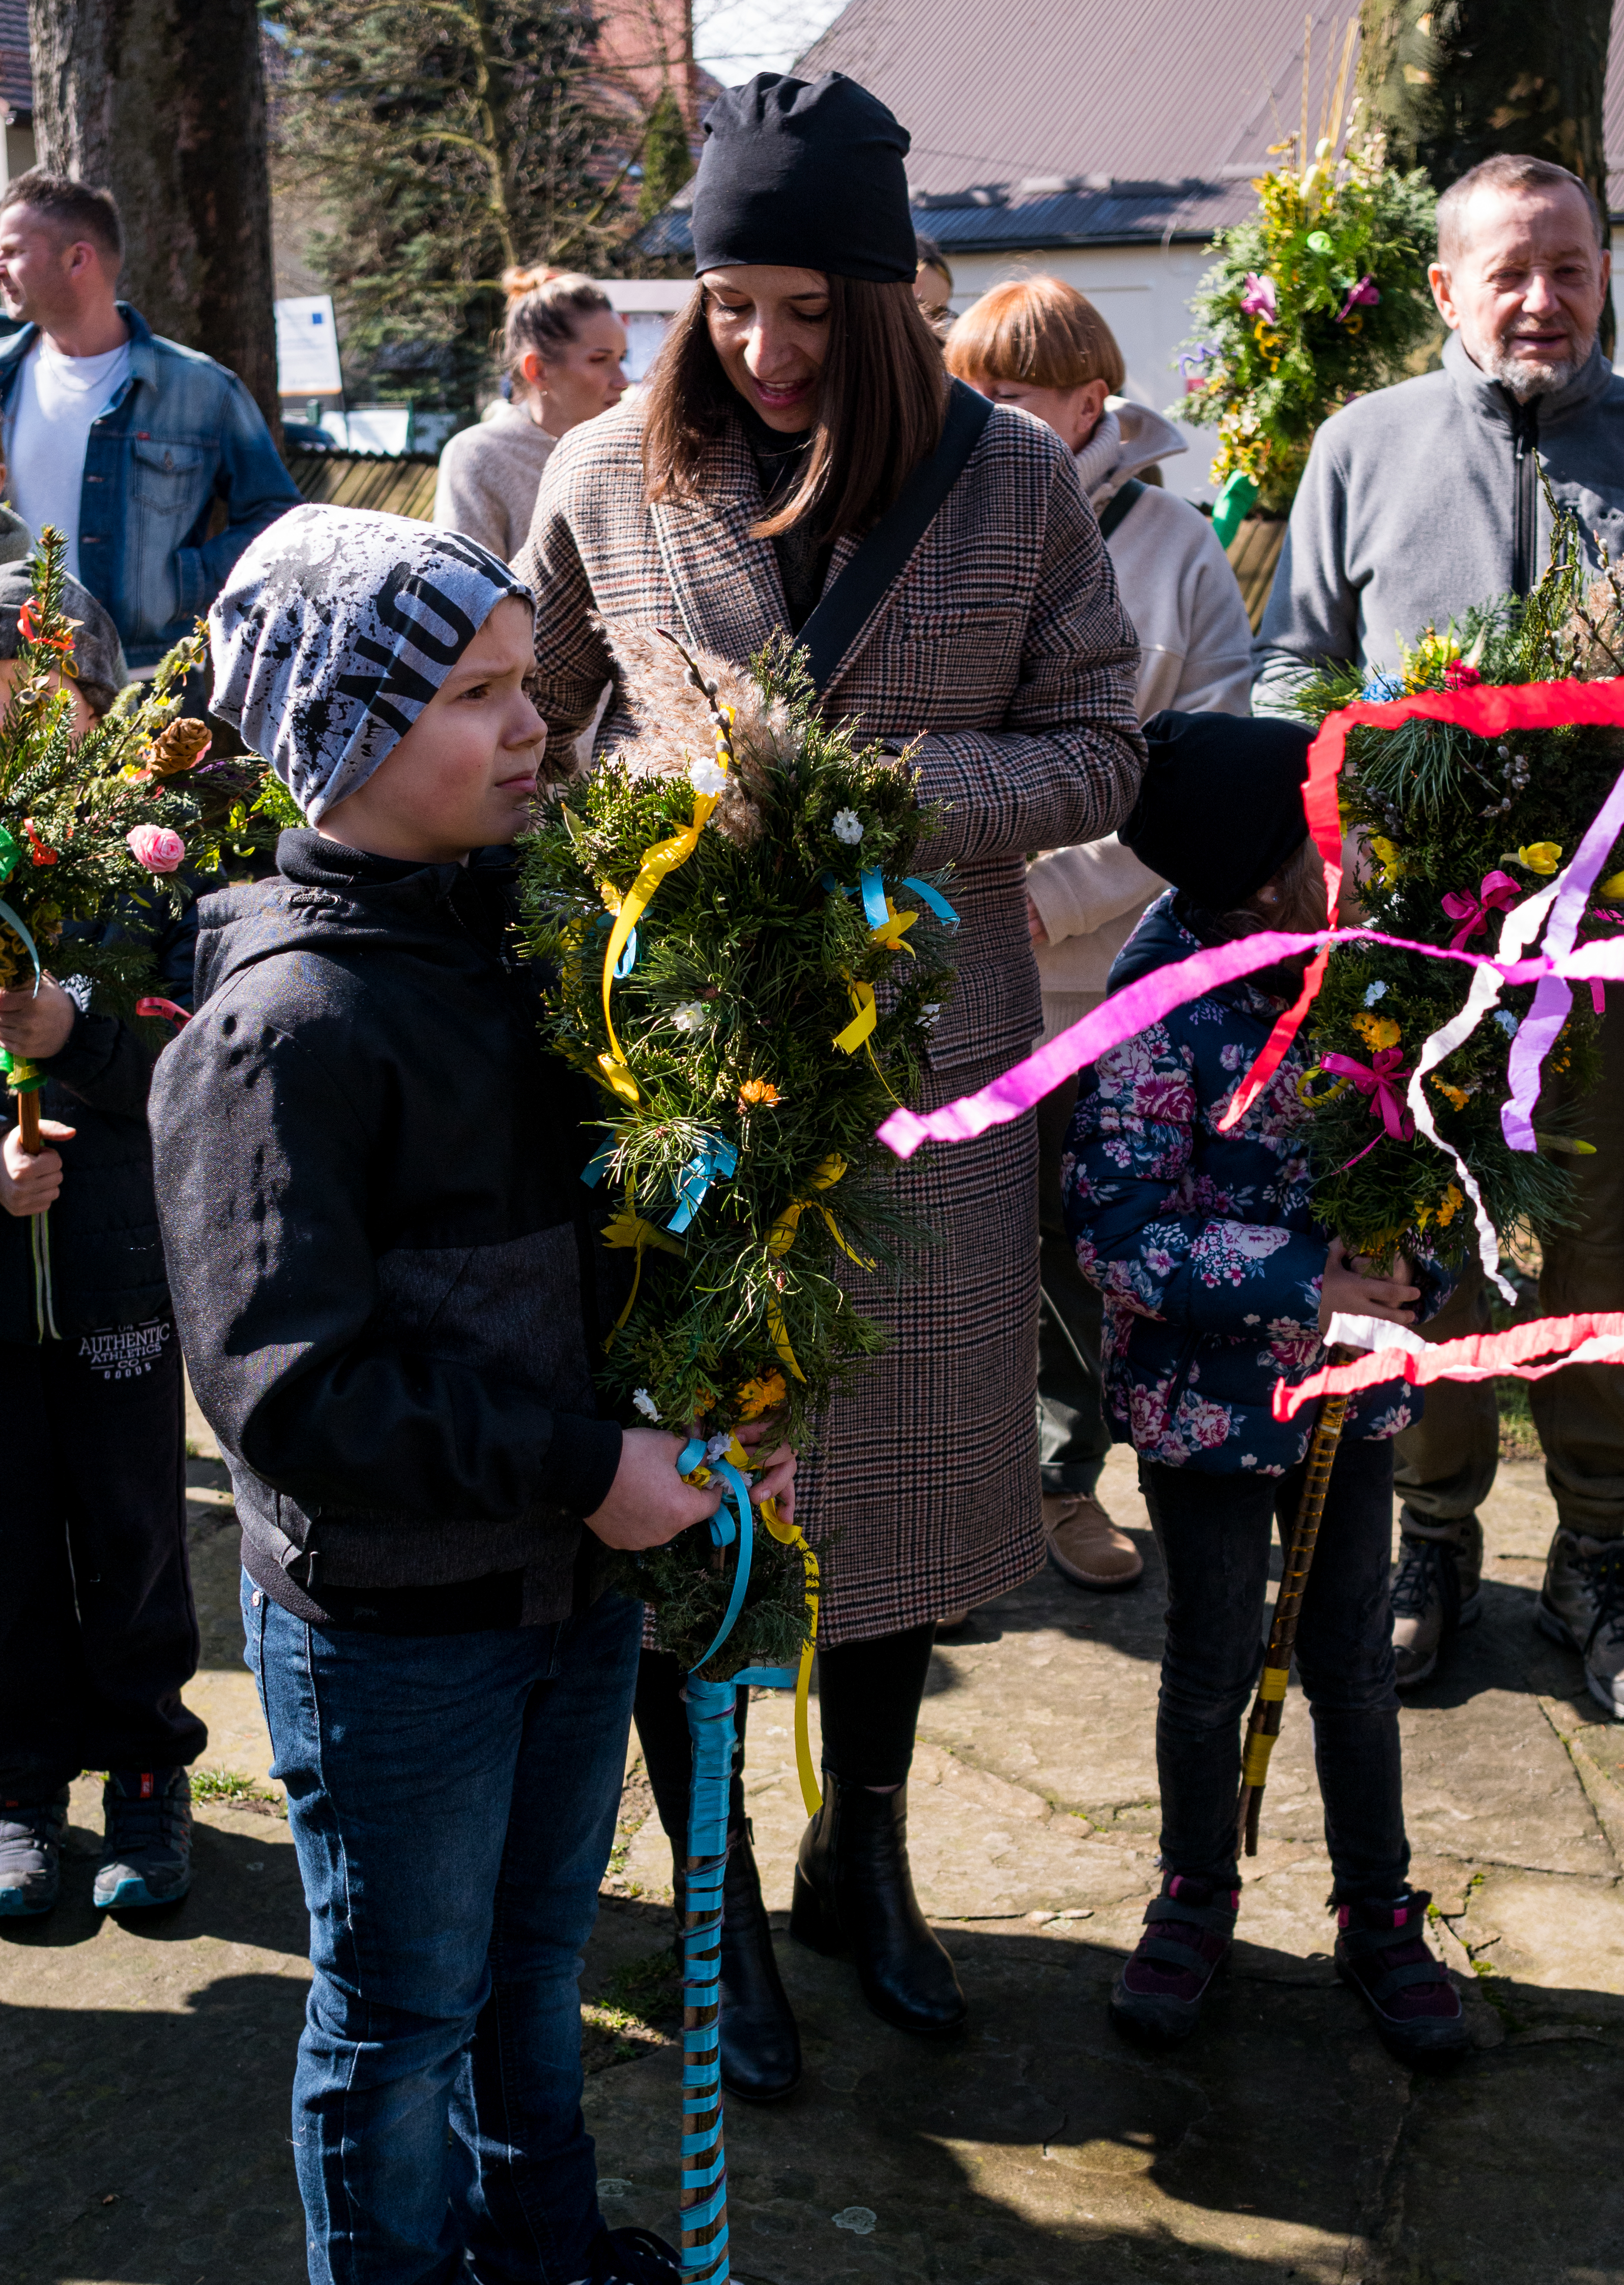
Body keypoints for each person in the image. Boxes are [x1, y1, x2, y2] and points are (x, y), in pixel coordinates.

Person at [518, 71, 1141, 2093]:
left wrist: (888, 798)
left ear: (881, 299)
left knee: (895, 1490)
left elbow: (1099, 748)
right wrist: (657, 801)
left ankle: (858, 1858)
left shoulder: (1015, 490)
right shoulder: (609, 472)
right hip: (685, 1069)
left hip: (924, 1084)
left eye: (805, 311)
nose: (763, 353)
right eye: (728, 307)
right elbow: (530, 738)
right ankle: (711, 1900)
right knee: (696, 1493)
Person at [150, 508, 787, 2285]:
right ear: (348, 738)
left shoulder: (537, 952)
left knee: (531, 1972)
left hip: (561, 1602)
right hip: (401, 1637)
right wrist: (590, 1469)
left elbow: (608, 1257)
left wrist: (713, 1398)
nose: (535, 727)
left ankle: (532, 2270)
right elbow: (292, 1391)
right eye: (481, 694)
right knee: (401, 2013)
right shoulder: (290, 1030)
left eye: (531, 686)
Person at [1253, 152, 1624, 1717]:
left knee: (1606, 1242)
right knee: (1428, 1235)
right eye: (1509, 271)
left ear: (1607, 278)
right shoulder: (1364, 446)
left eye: (1572, 267)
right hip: (1421, 960)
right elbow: (1291, 673)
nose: (1543, 299)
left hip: (1623, 951)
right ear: (1447, 286)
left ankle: (1597, 1553)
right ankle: (1434, 1540)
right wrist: (1339, 821)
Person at [1063, 709, 1467, 2067]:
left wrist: (1417, 1275)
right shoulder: (1161, 1006)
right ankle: (1196, 1889)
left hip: (1349, 1404)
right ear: (1255, 872)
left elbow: (1444, 1161)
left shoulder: (1366, 970)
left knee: (1353, 1652)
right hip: (1207, 1406)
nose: (1347, 843)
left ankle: (1378, 1906)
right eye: (1320, 826)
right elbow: (1115, 1227)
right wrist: (1306, 1276)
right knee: (1212, 1655)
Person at [945, 274, 1254, 1593]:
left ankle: (1064, 1481)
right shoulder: (935, 528)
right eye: (963, 395)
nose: (978, 421)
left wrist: (1055, 893)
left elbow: (1210, 772)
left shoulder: (1178, 553)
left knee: (1075, 1240)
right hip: (937, 966)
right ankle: (951, 1496)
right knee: (950, 1242)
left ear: (1090, 404)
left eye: (1005, 400)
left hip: (1093, 986)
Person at [0, 570, 212, 1920]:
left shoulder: (154, 863)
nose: (31, 714)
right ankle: (20, 1782)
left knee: (133, 1525)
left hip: (121, 1260)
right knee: (8, 1531)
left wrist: (74, 1041)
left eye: (53, 692)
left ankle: (146, 1764)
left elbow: (198, 1051)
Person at [0, 170, 299, 672]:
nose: (0, 267)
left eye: (11, 252)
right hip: (16, 676)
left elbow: (279, 519)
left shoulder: (202, 389)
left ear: (78, 258)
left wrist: (186, 583)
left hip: (150, 684)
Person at [434, 266, 629, 559]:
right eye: (599, 359)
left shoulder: (633, 449)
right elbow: (469, 594)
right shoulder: (479, 455)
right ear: (537, 370)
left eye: (622, 359)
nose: (622, 380)